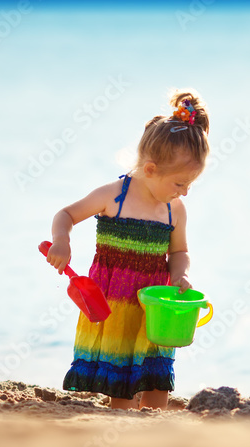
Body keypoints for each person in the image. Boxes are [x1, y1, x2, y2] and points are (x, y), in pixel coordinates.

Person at [45, 89, 211, 410]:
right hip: (114, 302)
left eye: (190, 184)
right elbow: (65, 215)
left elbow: (179, 252)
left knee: (155, 371)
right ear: (150, 170)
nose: (185, 192)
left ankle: (153, 422)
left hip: (153, 306)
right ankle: (118, 421)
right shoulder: (113, 196)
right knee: (119, 376)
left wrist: (180, 274)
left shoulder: (173, 209)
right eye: (180, 183)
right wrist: (62, 241)